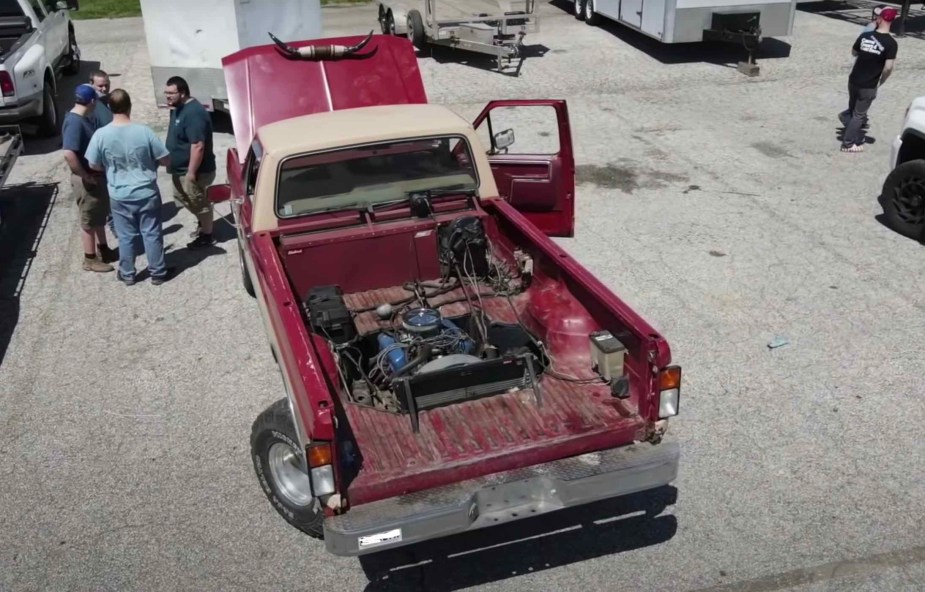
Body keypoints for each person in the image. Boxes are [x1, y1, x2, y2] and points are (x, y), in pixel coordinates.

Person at [85, 89, 175, 286]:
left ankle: (127, 273)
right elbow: (166, 159)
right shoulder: (144, 132)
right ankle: (158, 272)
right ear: (129, 106)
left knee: (125, 236)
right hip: (146, 191)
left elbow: (92, 164)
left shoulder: (101, 135)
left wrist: (108, 168)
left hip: (119, 194)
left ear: (109, 107)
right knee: (151, 233)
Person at [62, 84, 116, 273]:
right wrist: (85, 175)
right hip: (87, 180)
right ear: (92, 101)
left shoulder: (80, 117)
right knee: (89, 220)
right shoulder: (75, 122)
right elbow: (69, 153)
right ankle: (90, 259)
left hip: (95, 177)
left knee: (98, 216)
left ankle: (104, 249)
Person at [164, 76, 217, 249]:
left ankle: (207, 235)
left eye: (171, 93)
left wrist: (191, 173)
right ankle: (203, 225)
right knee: (182, 198)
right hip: (179, 169)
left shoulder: (194, 113)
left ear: (183, 93)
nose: (168, 96)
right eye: (166, 93)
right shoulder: (177, 108)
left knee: (199, 202)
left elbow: (198, 145)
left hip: (195, 171)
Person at [841, 7, 898, 154]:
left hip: (853, 80)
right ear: (893, 20)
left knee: (854, 111)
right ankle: (848, 144)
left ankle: (847, 120)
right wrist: (882, 80)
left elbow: (854, 52)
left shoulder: (865, 36)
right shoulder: (891, 43)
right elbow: (888, 68)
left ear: (879, 19)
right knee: (859, 115)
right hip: (869, 84)